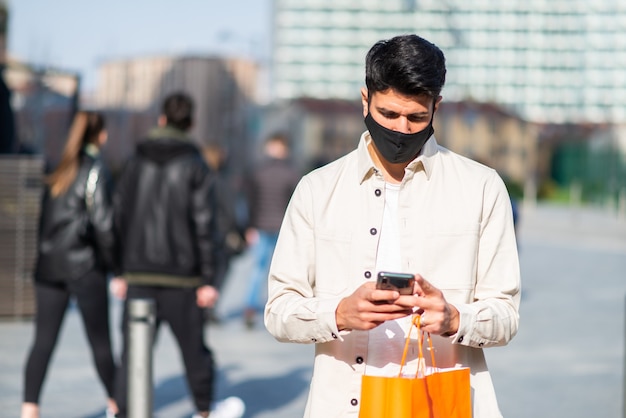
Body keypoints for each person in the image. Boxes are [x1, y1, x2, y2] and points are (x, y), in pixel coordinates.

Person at [264, 34, 521, 418]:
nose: (401, 129)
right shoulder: (317, 190)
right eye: (388, 114)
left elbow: (506, 315)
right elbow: (279, 310)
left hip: (442, 404)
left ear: (437, 107)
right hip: (343, 406)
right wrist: (339, 314)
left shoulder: (482, 187)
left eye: (416, 117)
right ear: (365, 101)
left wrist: (455, 319)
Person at [111, 92, 245, 418]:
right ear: (191, 123)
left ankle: (121, 411)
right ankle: (204, 410)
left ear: (161, 119)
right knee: (194, 350)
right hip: (183, 277)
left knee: (134, 351)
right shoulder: (195, 164)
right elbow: (205, 225)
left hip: (138, 274)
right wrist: (209, 279)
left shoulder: (135, 160)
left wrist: (117, 270)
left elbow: (117, 217)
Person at [21, 111, 119, 418]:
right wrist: (115, 267)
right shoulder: (96, 171)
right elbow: (104, 225)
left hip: (48, 267)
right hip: (84, 266)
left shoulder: (58, 167)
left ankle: (29, 408)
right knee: (101, 344)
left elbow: (43, 222)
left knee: (43, 342)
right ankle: (118, 405)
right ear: (99, 135)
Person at [242, 133, 300, 328]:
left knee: (257, 270)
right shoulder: (292, 173)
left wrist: (249, 227)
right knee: (281, 271)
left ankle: (250, 307)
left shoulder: (257, 171)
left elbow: (250, 202)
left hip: (260, 226)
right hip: (282, 228)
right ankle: (278, 309)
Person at [202, 143, 248, 323]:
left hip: (202, 233)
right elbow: (230, 210)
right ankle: (210, 307)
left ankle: (204, 307)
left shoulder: (198, 177)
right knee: (220, 272)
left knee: (206, 272)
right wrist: (240, 231)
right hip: (220, 234)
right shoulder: (222, 180)